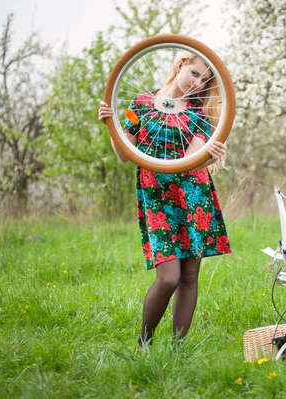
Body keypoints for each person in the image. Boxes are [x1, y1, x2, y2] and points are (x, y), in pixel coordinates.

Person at [98, 51, 231, 347]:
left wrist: (210, 155)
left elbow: (189, 160)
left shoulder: (199, 113)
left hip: (192, 195)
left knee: (189, 276)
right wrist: (111, 127)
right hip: (156, 196)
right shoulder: (142, 104)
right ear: (181, 65)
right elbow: (124, 155)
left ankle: (177, 350)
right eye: (195, 74)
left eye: (204, 80)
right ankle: (143, 344)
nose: (197, 83)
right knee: (168, 277)